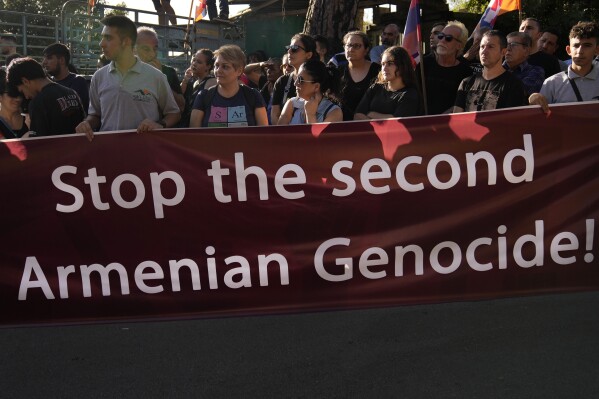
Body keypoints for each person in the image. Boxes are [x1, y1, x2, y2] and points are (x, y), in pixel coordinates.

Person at [76, 15, 180, 139]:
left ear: (126, 41)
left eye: (108, 38)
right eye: (102, 38)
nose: (101, 43)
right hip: (109, 152)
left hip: (145, 153)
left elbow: (174, 113)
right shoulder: (98, 77)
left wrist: (159, 125)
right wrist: (87, 123)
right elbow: (95, 115)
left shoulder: (156, 76)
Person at [190, 44, 268, 128]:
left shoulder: (253, 96)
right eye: (216, 65)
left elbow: (263, 134)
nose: (218, 70)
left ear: (239, 71)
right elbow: (194, 135)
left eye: (225, 67)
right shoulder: (203, 96)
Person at [529, 21, 599, 111]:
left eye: (587, 45)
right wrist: (534, 100)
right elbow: (541, 119)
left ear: (597, 50)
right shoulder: (552, 83)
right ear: (568, 50)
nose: (580, 51)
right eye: (576, 45)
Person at [6, 57, 84, 136]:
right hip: (77, 146)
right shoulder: (72, 93)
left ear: (25, 81)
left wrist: (30, 130)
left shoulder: (38, 102)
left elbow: (38, 142)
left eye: (22, 91)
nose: (26, 97)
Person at [453, 30, 527, 112]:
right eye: (482, 47)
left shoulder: (514, 85)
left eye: (490, 47)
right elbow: (457, 119)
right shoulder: (466, 83)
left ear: (503, 52)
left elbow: (510, 121)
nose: (484, 51)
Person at [416, 21, 472, 114]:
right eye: (441, 36)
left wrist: (439, 119)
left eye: (448, 38)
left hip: (447, 124)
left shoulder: (465, 70)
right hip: (421, 122)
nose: (442, 40)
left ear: (459, 45)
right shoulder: (424, 64)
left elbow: (463, 102)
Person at [355, 46, 422, 120]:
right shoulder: (375, 88)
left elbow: (396, 123)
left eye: (390, 63)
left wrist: (371, 114)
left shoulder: (409, 94)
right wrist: (388, 117)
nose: (384, 68)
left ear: (402, 66)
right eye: (383, 64)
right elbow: (357, 116)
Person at [271, 33, 318, 125]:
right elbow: (274, 115)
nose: (289, 51)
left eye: (295, 49)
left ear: (308, 55)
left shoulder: (318, 78)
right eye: (289, 47)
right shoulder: (282, 81)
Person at [136, 27, 185, 113]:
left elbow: (181, 106)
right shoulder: (126, 73)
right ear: (134, 49)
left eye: (155, 48)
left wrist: (161, 77)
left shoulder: (168, 71)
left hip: (160, 124)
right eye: (146, 49)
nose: (152, 53)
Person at [278, 59, 342, 125]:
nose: (295, 83)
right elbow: (279, 134)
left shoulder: (334, 112)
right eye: (297, 78)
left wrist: (310, 115)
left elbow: (318, 135)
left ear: (316, 86)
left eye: (300, 80)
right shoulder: (292, 104)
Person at [336, 30, 380, 121]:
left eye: (356, 46)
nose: (351, 49)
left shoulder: (378, 71)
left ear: (366, 49)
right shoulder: (338, 71)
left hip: (370, 124)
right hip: (343, 124)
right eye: (348, 45)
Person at [42, 43, 90, 113]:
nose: (44, 62)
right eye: (44, 58)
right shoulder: (46, 83)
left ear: (62, 60)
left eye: (49, 58)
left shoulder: (77, 82)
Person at [180, 49, 217, 127]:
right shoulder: (194, 82)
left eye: (199, 62)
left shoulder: (211, 82)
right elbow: (179, 96)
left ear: (208, 66)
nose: (194, 64)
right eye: (194, 60)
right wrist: (185, 80)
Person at [0, 70, 28, 139]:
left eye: (21, 94)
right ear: (0, 96)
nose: (18, 99)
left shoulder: (29, 120)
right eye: (12, 94)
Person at [258, 57, 283, 125]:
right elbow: (247, 71)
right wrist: (261, 64)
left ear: (282, 71)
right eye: (267, 68)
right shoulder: (264, 82)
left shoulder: (285, 87)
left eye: (272, 69)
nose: (268, 71)